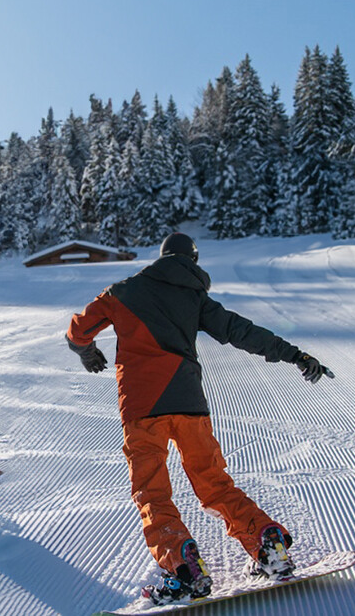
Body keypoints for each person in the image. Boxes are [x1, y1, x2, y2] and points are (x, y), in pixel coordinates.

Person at [65, 232, 334, 605]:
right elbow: (242, 331)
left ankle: (182, 565)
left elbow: (78, 330)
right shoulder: (194, 296)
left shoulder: (121, 292)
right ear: (192, 261)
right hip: (190, 403)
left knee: (152, 492)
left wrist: (85, 351)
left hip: (143, 408)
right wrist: (296, 355)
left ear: (161, 257)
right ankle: (267, 542)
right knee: (214, 483)